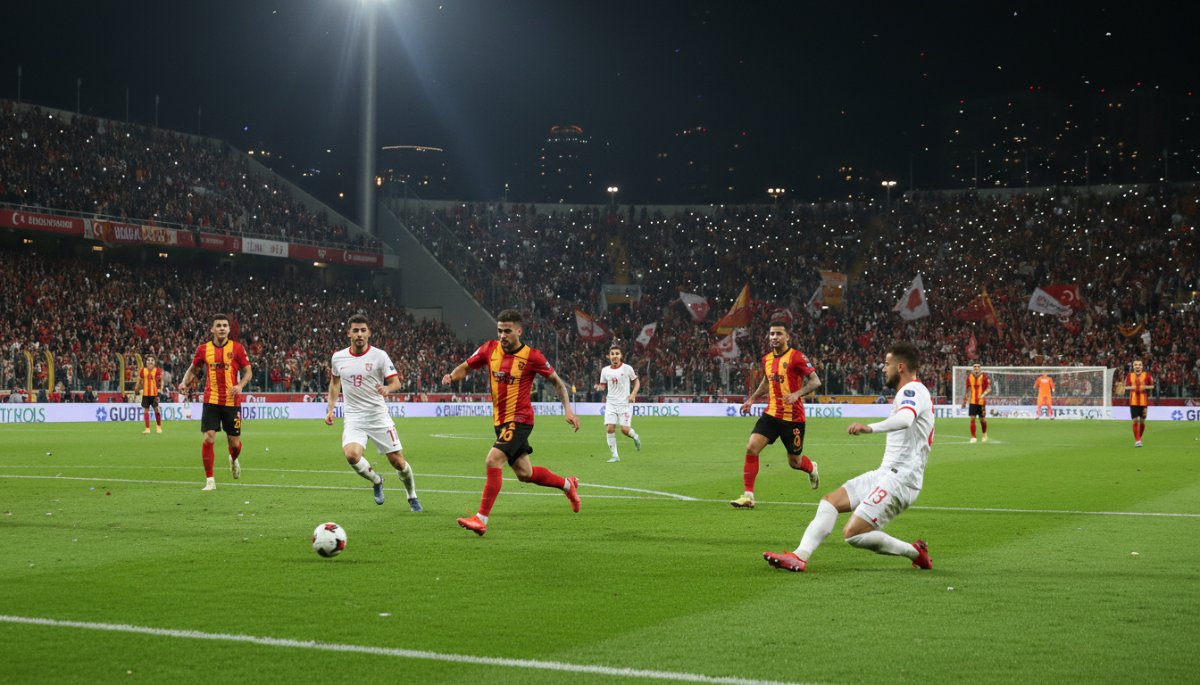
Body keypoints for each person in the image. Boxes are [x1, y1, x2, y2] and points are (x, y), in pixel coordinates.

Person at [763, 342, 934, 573]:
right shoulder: (910, 392)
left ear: (900, 367)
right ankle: (799, 556)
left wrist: (869, 428)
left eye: (887, 364)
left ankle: (915, 552)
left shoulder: (912, 390)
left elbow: (905, 419)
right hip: (886, 472)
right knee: (830, 502)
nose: (883, 368)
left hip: (903, 478)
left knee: (853, 534)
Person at [442, 309, 581, 536]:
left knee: (493, 460)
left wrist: (568, 409)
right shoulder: (489, 349)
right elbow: (466, 367)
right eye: (499, 331)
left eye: (507, 331)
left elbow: (557, 382)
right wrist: (452, 375)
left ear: (519, 331)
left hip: (520, 419)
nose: (502, 336)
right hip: (500, 422)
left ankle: (481, 519)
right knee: (525, 473)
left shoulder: (532, 356)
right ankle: (568, 485)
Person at [324, 313, 421, 511]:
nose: (359, 334)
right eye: (355, 330)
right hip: (354, 417)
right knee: (352, 455)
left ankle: (412, 496)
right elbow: (335, 382)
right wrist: (331, 409)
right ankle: (377, 480)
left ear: (369, 333)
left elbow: (396, 382)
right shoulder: (338, 357)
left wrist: (387, 388)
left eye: (363, 330)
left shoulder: (380, 356)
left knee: (398, 462)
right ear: (349, 333)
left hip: (377, 416)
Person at [730, 319, 821, 509]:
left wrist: (796, 394)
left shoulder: (797, 357)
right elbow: (766, 382)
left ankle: (811, 468)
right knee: (751, 448)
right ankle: (748, 496)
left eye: (779, 333)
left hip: (793, 418)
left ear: (787, 337)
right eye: (772, 333)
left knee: (794, 462)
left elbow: (815, 381)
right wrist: (752, 399)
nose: (774, 337)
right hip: (771, 414)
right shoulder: (767, 359)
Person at [177, 314, 252, 491]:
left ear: (229, 329)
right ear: (212, 329)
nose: (222, 328)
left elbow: (248, 372)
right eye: (218, 325)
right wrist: (184, 382)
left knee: (234, 443)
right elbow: (193, 369)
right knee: (208, 437)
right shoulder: (204, 349)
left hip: (232, 401)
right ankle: (210, 480)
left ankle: (233, 458)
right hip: (211, 400)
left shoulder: (237, 348)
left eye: (225, 325)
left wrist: (240, 386)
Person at [593, 345, 642, 463]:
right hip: (611, 403)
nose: (615, 356)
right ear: (608, 356)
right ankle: (615, 456)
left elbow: (637, 382)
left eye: (617, 353)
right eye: (612, 354)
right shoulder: (605, 370)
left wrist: (633, 394)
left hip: (624, 404)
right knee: (610, 428)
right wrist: (599, 387)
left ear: (621, 355)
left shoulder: (627, 368)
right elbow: (603, 385)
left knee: (624, 430)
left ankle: (635, 436)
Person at [1123, 360, 1154, 447]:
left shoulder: (1147, 375)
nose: (1137, 366)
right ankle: (1138, 440)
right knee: (1136, 420)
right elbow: (1126, 387)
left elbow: (1152, 386)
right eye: (1135, 365)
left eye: (1139, 365)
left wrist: (1145, 387)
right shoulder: (1130, 375)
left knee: (1142, 421)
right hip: (1133, 401)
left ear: (1142, 366)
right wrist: (1132, 387)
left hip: (1143, 402)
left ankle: (1138, 438)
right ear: (1133, 367)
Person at [134, 354, 164, 434]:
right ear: (146, 362)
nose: (150, 362)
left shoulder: (157, 370)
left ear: (155, 362)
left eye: (152, 360)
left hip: (154, 394)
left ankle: (158, 427)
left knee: (156, 410)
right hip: (146, 394)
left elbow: (161, 381)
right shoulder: (143, 371)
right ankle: (147, 429)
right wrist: (136, 387)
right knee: (146, 411)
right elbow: (139, 380)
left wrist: (160, 391)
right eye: (148, 360)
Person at [962, 363, 990, 442]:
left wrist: (982, 395)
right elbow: (967, 390)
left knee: (982, 419)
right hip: (972, 401)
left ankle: (984, 434)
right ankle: (973, 437)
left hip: (981, 402)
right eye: (975, 367)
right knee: (972, 418)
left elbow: (989, 389)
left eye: (978, 367)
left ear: (980, 369)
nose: (976, 368)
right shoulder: (969, 377)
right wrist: (964, 401)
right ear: (973, 369)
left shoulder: (984, 377)